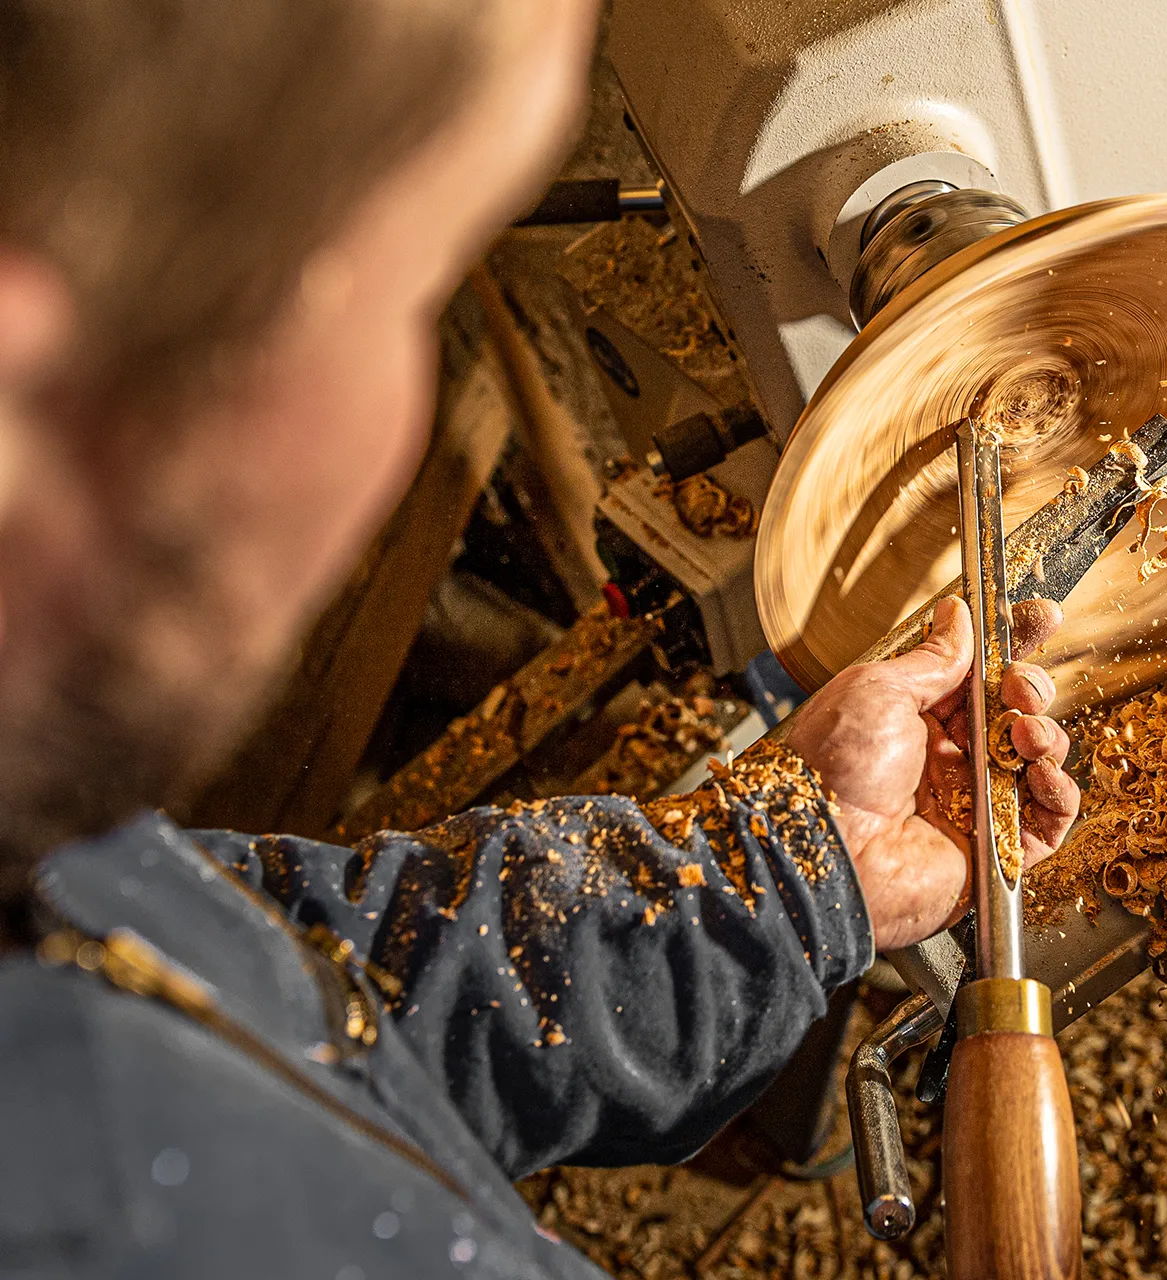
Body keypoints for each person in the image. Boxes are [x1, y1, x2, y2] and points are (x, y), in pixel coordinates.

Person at [0, 3, 1081, 1275]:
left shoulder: (67, 884)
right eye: (408, 295)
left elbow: (307, 991)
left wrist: (788, 874)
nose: (405, 408)